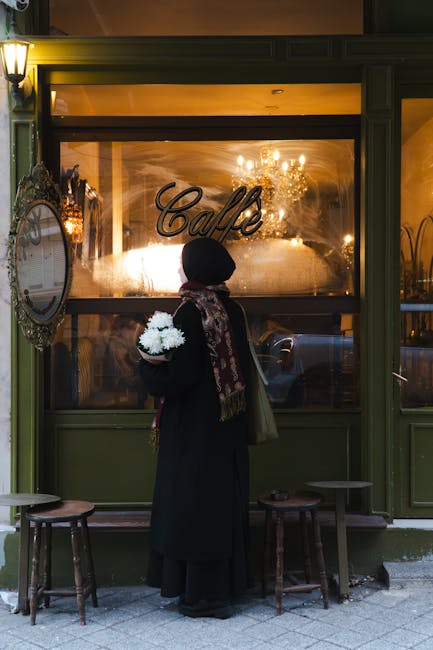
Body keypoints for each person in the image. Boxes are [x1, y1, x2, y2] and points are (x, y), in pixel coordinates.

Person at [139, 237, 252, 619]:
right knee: (220, 506)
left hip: (192, 432)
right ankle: (221, 590)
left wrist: (148, 366)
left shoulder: (191, 313)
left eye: (182, 263)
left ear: (195, 267)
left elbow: (177, 379)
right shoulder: (232, 309)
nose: (178, 271)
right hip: (226, 430)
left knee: (192, 509)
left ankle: (200, 596)